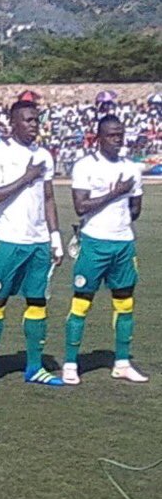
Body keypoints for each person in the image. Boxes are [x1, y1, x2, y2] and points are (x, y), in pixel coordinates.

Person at [0, 100, 65, 388]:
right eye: (27, 120)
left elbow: (49, 198)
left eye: (36, 120)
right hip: (8, 239)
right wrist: (27, 176)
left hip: (39, 241)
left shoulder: (44, 155)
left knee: (37, 302)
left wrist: (55, 238)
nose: (33, 125)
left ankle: (34, 367)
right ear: (13, 122)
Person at [63, 116, 147, 385]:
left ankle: (121, 362)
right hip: (94, 242)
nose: (118, 139)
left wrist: (120, 220)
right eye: (112, 135)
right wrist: (115, 193)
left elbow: (135, 207)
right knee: (81, 303)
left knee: (124, 302)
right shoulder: (85, 166)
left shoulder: (132, 169)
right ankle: (70, 363)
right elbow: (81, 206)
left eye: (120, 134)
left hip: (123, 243)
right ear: (98, 137)